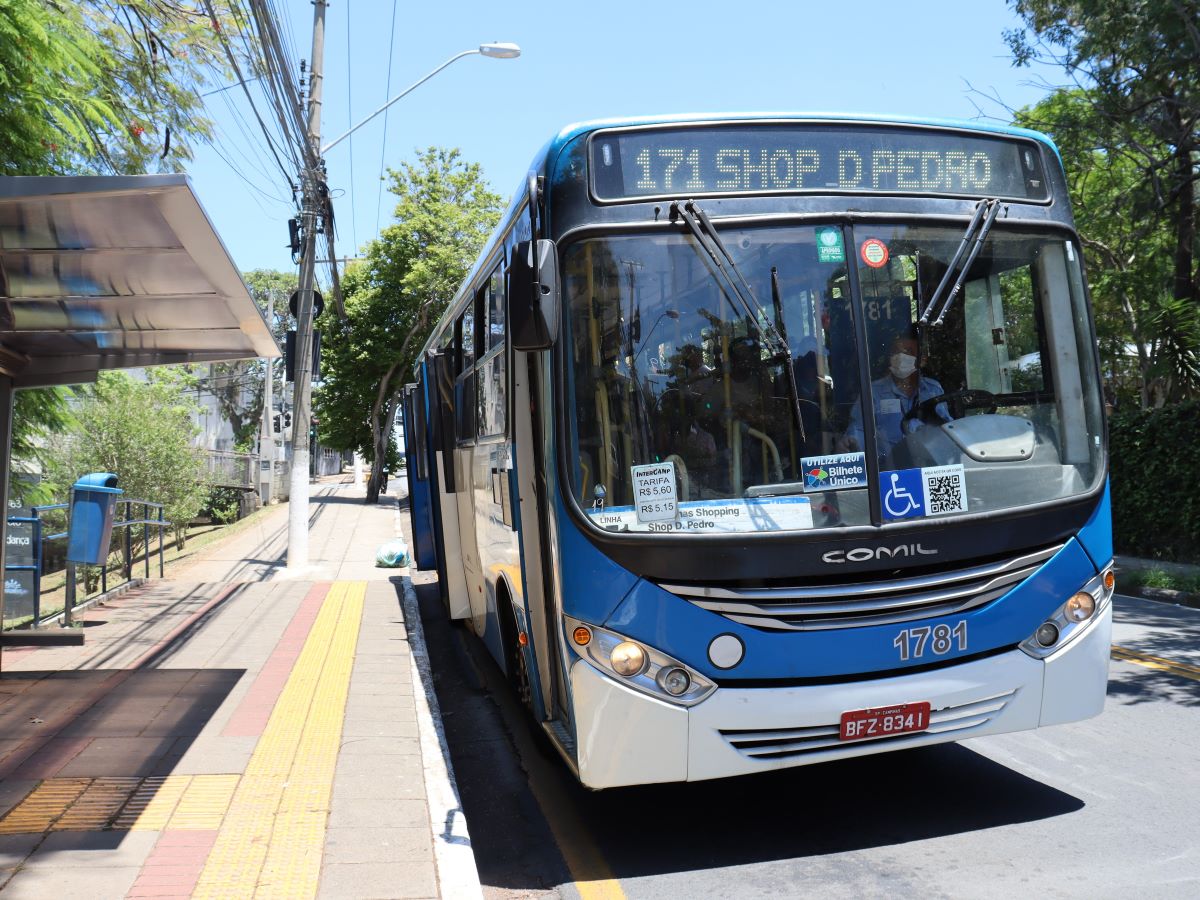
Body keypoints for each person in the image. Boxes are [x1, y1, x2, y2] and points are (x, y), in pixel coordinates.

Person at [841, 328, 950, 456]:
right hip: (887, 468)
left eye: (908, 352)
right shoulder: (873, 393)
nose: (900, 357)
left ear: (921, 359)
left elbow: (946, 430)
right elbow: (857, 433)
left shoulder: (932, 390)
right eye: (895, 352)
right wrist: (848, 443)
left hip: (928, 466)